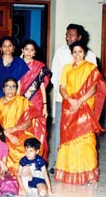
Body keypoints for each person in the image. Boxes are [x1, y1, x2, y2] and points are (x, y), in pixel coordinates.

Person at [50, 23, 97, 173]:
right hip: (63, 99)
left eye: (71, 35)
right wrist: (68, 97)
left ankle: (84, 167)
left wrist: (79, 100)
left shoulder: (90, 56)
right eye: (67, 35)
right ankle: (59, 164)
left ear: (80, 37)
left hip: (84, 102)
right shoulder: (60, 52)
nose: (68, 37)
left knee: (83, 134)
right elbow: (55, 76)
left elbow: (93, 81)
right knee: (61, 131)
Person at [54, 41, 103, 185]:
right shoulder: (66, 68)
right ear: (71, 53)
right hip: (69, 107)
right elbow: (62, 87)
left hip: (85, 106)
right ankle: (69, 171)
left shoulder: (90, 68)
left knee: (86, 140)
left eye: (80, 52)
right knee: (68, 139)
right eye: (74, 52)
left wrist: (79, 102)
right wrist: (70, 100)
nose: (77, 55)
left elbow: (94, 88)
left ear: (85, 53)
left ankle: (89, 174)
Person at [0, 78, 45, 176]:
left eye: (13, 87)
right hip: (2, 134)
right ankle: (13, 173)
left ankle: (29, 172)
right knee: (11, 149)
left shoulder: (22, 101)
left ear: (17, 89)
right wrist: (8, 134)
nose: (10, 89)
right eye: (7, 86)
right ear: (3, 89)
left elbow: (28, 122)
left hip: (21, 131)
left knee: (34, 145)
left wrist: (14, 129)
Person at [20, 39, 52, 161]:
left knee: (40, 132)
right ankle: (24, 161)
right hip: (22, 103)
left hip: (37, 102)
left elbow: (43, 87)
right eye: (26, 49)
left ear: (35, 52)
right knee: (24, 131)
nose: (28, 52)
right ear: (22, 50)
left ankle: (39, 161)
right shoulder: (17, 64)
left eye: (31, 50)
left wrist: (45, 105)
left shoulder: (40, 66)